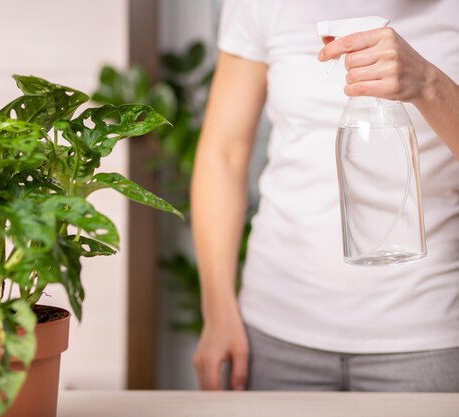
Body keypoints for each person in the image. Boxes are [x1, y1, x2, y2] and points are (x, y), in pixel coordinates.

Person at [191, 0, 459, 391]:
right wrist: (217, 312)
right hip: (275, 328)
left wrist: (429, 84)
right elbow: (224, 153)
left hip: (426, 332)